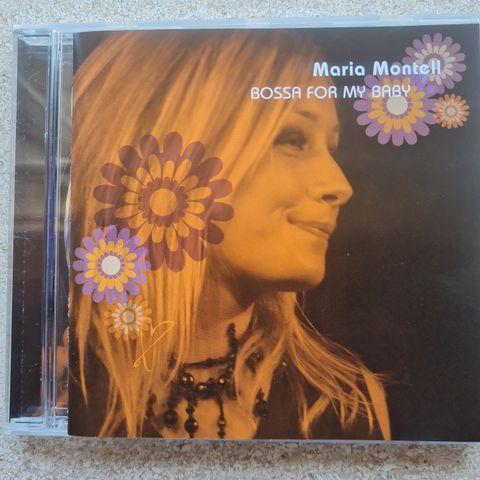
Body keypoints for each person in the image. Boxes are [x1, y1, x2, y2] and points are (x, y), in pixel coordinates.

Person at [68, 28, 390, 440]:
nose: (340, 185)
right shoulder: (60, 388)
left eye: (331, 148)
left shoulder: (347, 407)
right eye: (293, 140)